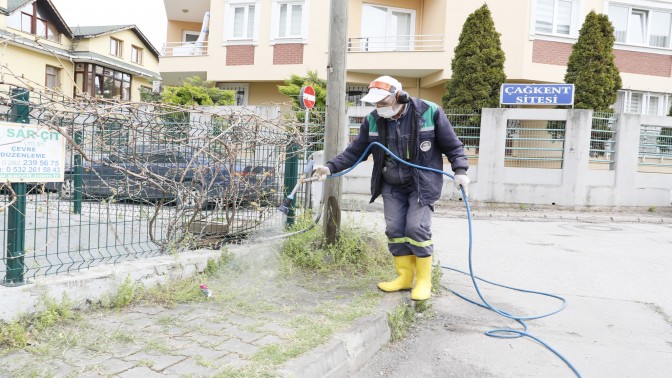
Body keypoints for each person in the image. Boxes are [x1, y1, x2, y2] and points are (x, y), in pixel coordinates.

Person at [312, 75, 469, 301]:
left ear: (399, 96)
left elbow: (453, 146)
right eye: (375, 104)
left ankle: (424, 281)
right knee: (395, 230)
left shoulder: (429, 112)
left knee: (416, 228)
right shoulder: (374, 120)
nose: (378, 108)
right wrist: (329, 168)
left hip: (421, 183)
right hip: (391, 183)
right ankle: (404, 277)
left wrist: (461, 171)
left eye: (382, 103)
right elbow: (355, 151)